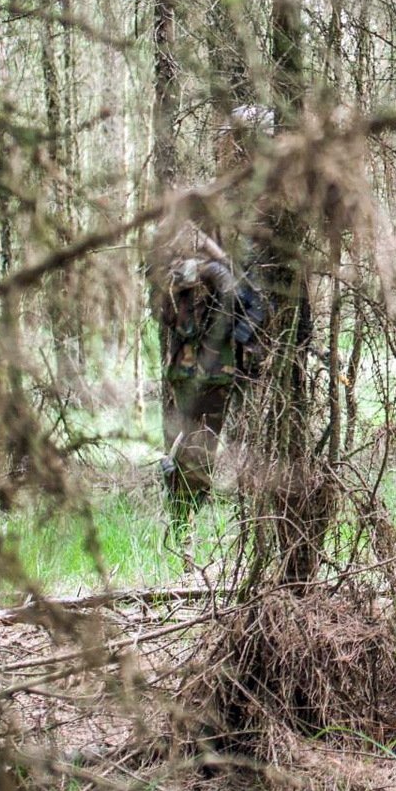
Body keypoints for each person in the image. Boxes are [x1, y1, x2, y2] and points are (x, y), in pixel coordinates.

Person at [149, 106, 274, 527]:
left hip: (261, 350)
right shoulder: (200, 205)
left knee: (269, 448)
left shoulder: (275, 206)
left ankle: (262, 528)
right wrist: (204, 270)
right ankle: (185, 529)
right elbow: (160, 273)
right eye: (240, 143)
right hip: (209, 356)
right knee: (199, 444)